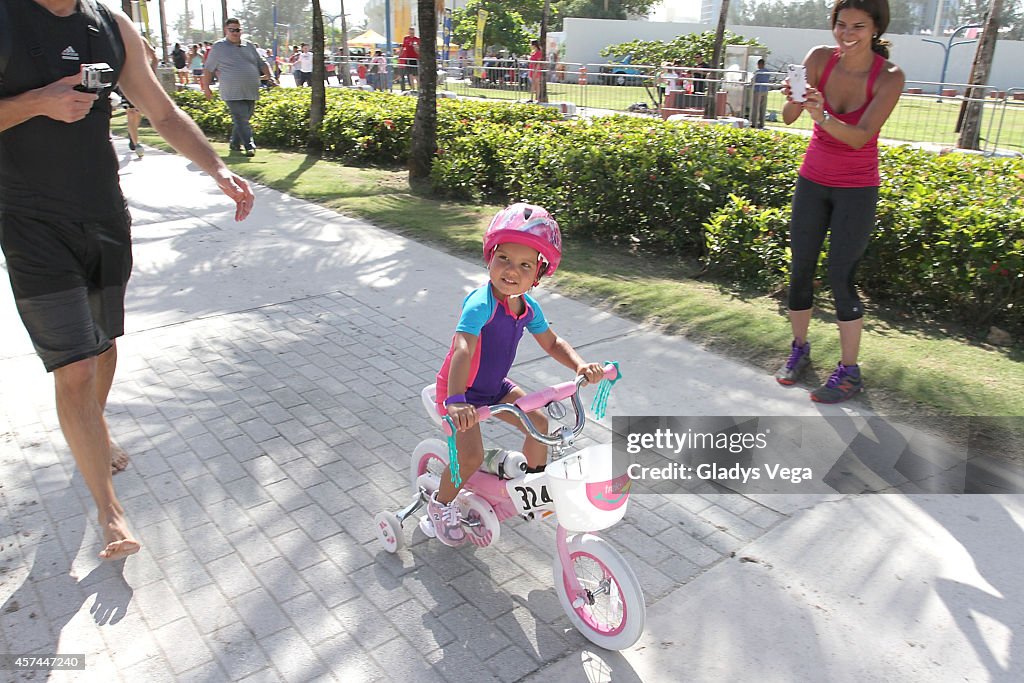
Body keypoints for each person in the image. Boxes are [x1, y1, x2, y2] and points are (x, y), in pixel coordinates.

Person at [0, 0, 255, 561]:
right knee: (75, 365)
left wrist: (217, 168)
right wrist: (36, 103)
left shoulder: (110, 26)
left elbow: (162, 113)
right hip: (28, 221)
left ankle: (97, 428)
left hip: (104, 215)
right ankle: (110, 512)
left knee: (104, 341)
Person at [425, 204, 605, 546]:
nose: (512, 270)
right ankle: (440, 504)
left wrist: (581, 366)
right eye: (504, 258)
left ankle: (534, 488)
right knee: (470, 457)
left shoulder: (528, 307)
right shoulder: (481, 303)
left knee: (540, 424)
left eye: (525, 265)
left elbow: (553, 343)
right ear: (490, 257)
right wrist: (456, 400)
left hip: (495, 388)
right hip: (460, 392)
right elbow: (463, 347)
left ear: (537, 275)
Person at [774, 0, 904, 403]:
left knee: (841, 278)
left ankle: (849, 373)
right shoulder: (817, 58)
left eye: (858, 27)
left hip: (857, 188)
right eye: (841, 25)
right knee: (800, 270)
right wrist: (796, 99)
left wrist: (822, 116)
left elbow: (861, 136)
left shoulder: (890, 77)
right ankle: (799, 349)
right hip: (813, 180)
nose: (847, 35)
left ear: (876, 29)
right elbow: (787, 117)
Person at [201, 17, 277, 157]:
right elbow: (208, 69)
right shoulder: (218, 47)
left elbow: (262, 63)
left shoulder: (248, 45)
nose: (235, 33)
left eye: (238, 30)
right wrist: (206, 87)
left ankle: (235, 143)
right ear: (226, 30)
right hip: (231, 91)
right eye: (232, 30)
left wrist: (271, 76)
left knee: (244, 118)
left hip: (250, 90)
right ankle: (249, 145)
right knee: (241, 117)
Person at [120, 37, 158, 158]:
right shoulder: (118, 40)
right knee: (132, 112)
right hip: (126, 81)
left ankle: (132, 134)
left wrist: (150, 73)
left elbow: (155, 58)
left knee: (137, 113)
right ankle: (137, 144)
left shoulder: (140, 39)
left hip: (141, 81)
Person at [751, 58, 772, 128]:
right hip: (765, 90)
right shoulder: (767, 72)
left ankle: (754, 123)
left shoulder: (758, 72)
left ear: (759, 64)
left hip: (758, 90)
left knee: (756, 107)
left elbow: (752, 81)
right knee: (763, 107)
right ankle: (762, 123)